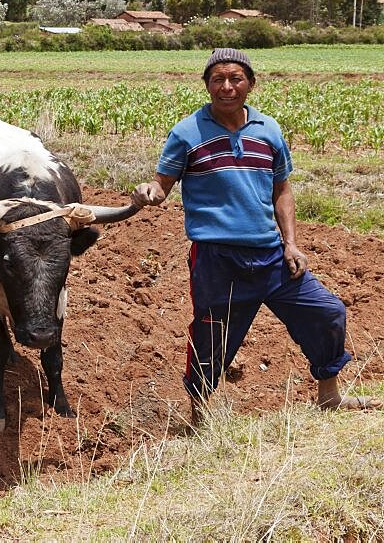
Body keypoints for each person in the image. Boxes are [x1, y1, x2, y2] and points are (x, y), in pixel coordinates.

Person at [132, 48, 381, 425]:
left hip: (271, 255)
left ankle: (329, 396)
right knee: (210, 335)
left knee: (328, 313)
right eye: (218, 79)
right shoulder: (186, 133)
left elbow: (282, 188)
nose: (227, 87)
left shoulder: (269, 130)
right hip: (217, 260)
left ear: (250, 83)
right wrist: (148, 191)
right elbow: (162, 184)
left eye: (236, 78)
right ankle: (199, 417)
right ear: (206, 85)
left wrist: (291, 242)